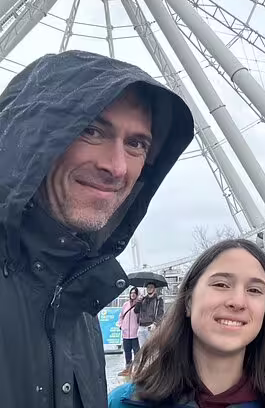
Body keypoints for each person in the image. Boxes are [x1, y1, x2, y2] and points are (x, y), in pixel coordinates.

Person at [0, 50, 194, 408]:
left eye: (136, 144)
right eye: (90, 130)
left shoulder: (81, 309)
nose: (117, 167)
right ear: (31, 137)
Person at [108, 239, 265, 408]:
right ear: (188, 302)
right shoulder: (123, 403)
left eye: (254, 290)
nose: (237, 302)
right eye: (221, 284)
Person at [119, 287, 141, 376]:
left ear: (137, 294)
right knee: (127, 351)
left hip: (135, 333)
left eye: (134, 293)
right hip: (125, 333)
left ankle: (136, 369)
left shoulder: (138, 305)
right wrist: (121, 326)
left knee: (136, 352)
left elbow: (140, 317)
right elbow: (121, 316)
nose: (132, 294)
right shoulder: (125, 304)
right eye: (131, 293)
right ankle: (128, 368)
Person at [135, 281, 165, 347]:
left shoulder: (158, 300)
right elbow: (136, 311)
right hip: (141, 327)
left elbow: (160, 314)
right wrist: (138, 301)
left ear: (155, 289)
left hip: (151, 327)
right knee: (142, 349)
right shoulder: (143, 299)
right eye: (148, 287)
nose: (149, 288)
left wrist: (155, 324)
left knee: (151, 349)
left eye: (151, 287)